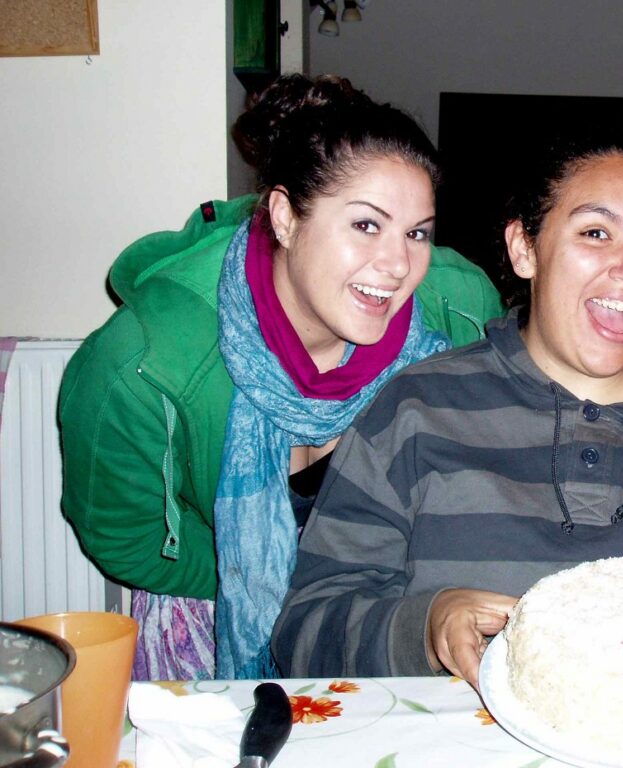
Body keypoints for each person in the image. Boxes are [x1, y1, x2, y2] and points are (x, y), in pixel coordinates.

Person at [271, 133, 623, 686]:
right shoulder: (415, 411)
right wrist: (424, 629)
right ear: (525, 248)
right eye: (596, 233)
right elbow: (304, 635)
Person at [58, 75, 505, 680]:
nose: (399, 265)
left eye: (417, 232)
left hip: (391, 606)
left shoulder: (459, 314)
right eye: (366, 225)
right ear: (286, 217)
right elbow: (126, 541)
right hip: (216, 619)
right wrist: (264, 576)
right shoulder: (143, 365)